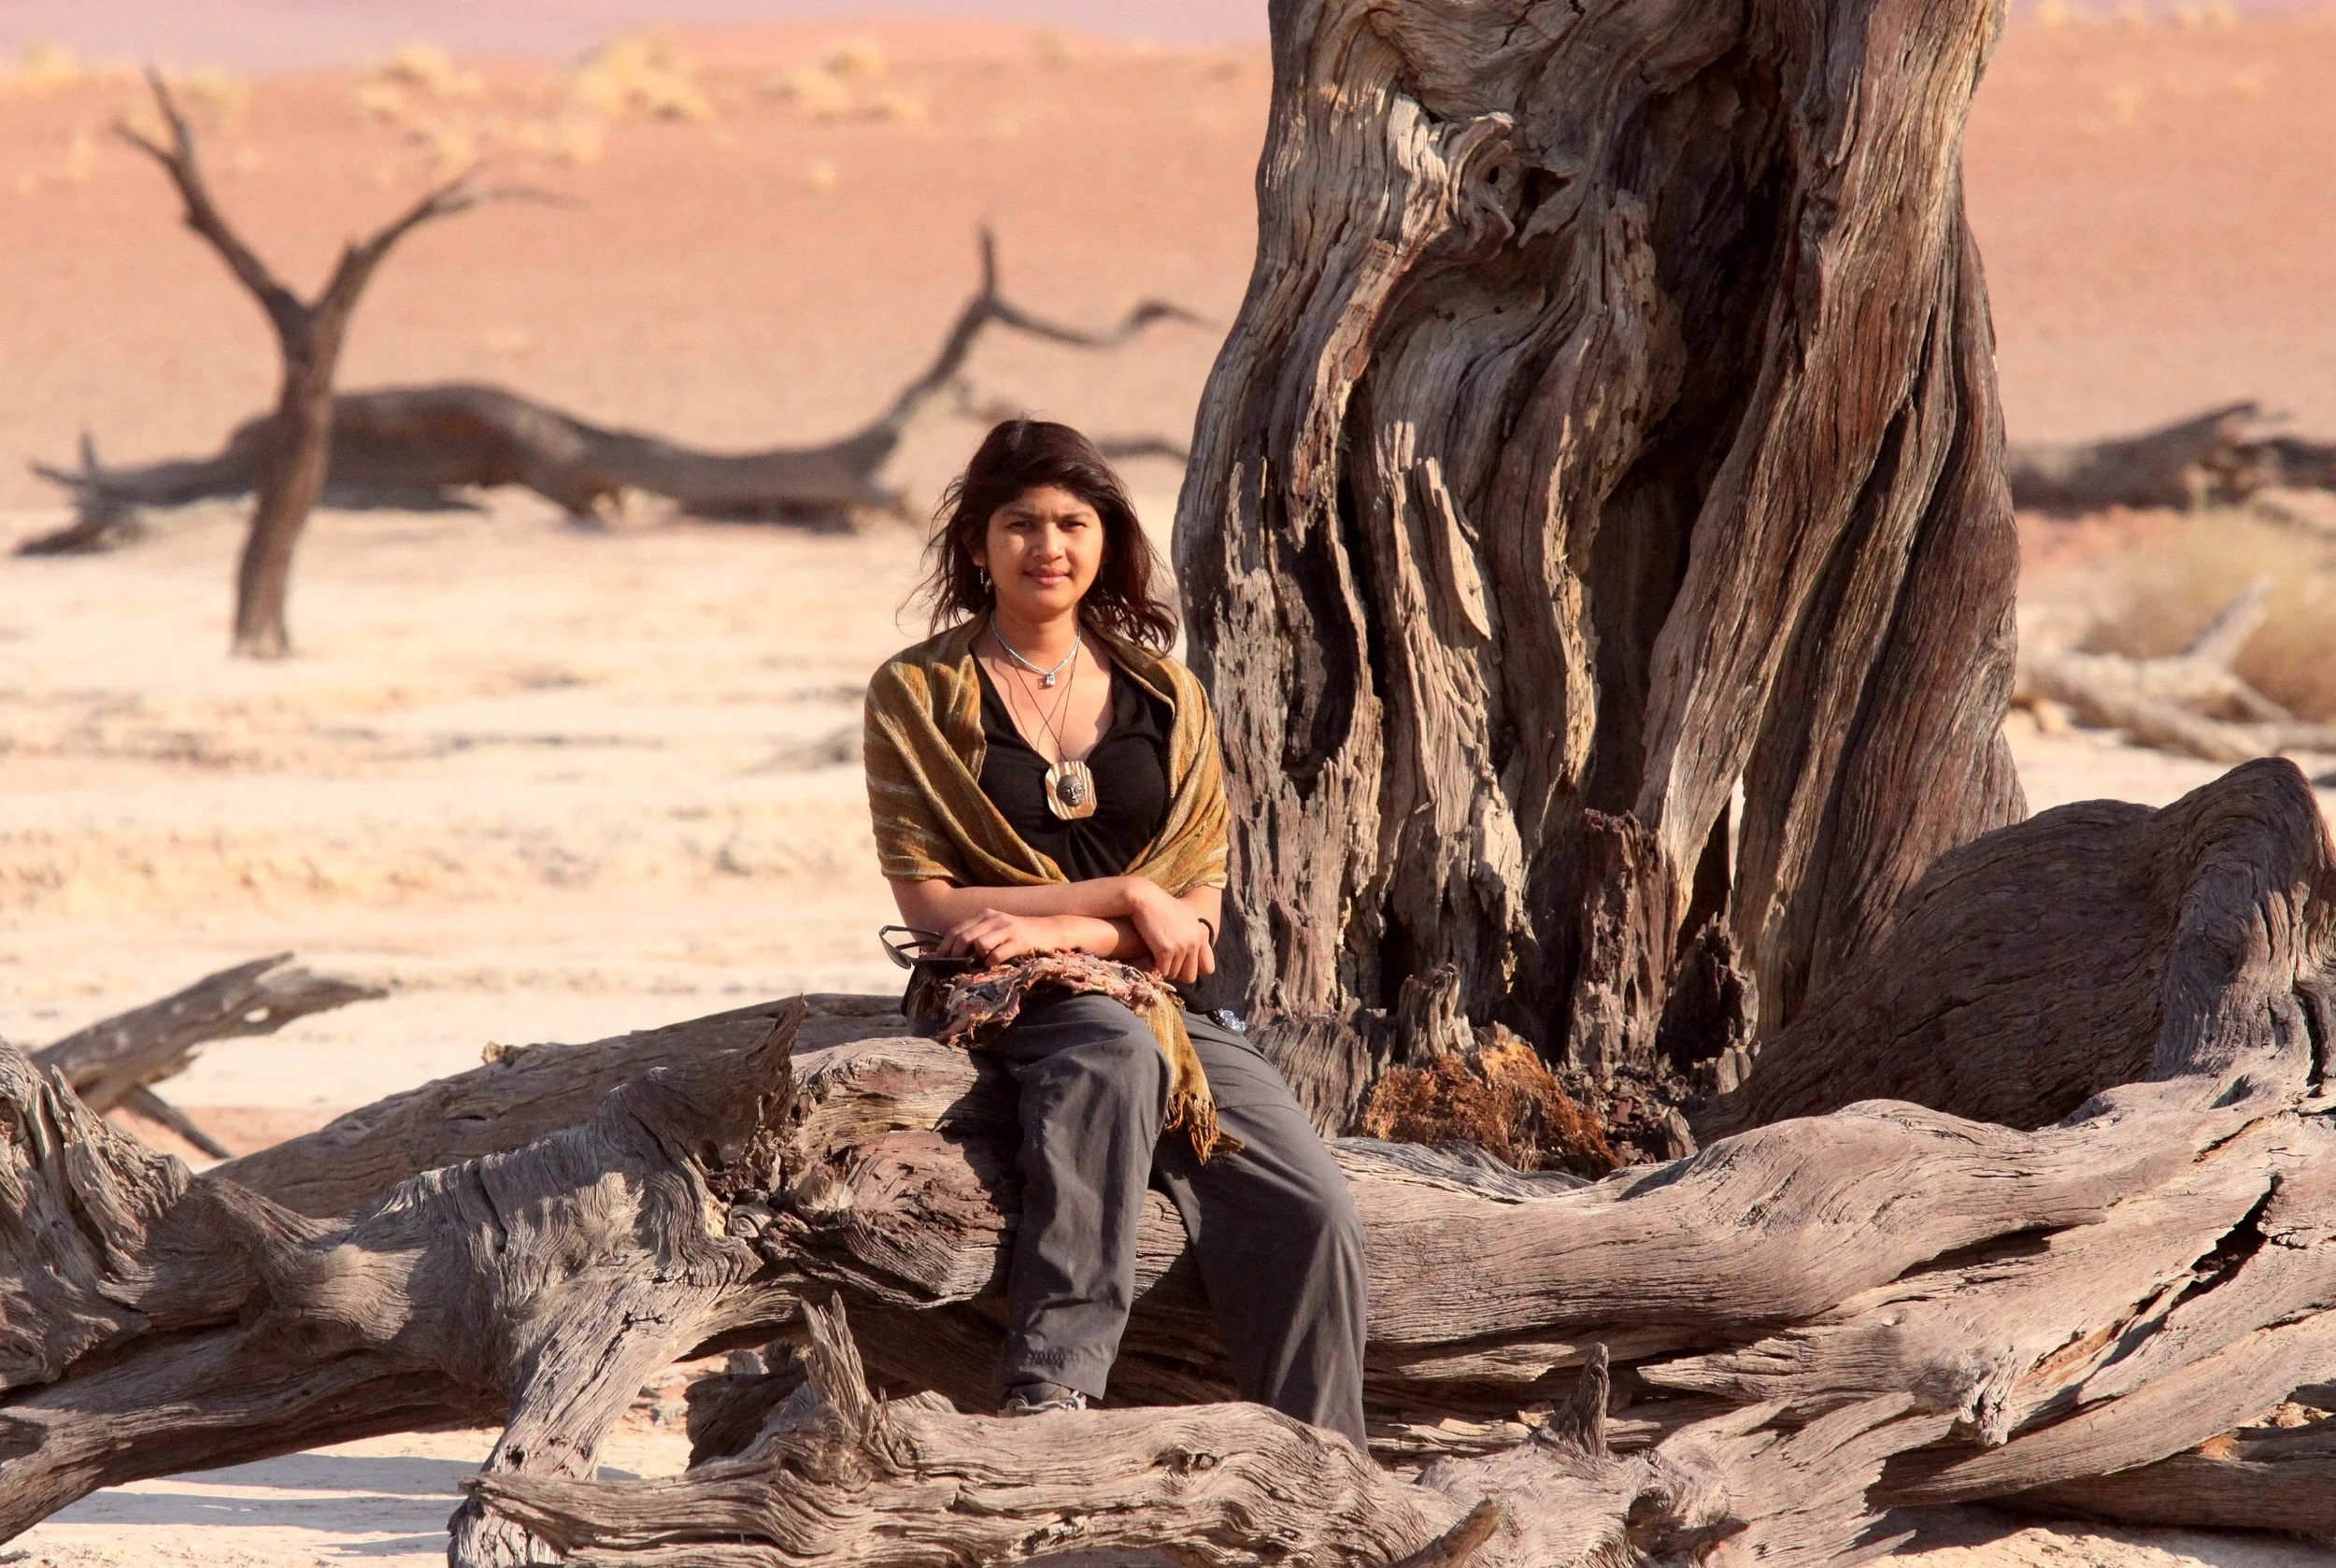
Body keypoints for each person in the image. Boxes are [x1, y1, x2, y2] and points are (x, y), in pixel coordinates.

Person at [861, 418, 1368, 1447]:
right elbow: (934, 907)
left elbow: (1197, 924)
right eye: (1020, 524)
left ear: (1105, 542)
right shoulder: (914, 693)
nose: (1047, 545)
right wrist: (1130, 901)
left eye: (1071, 522)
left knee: (1309, 1206)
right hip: (995, 992)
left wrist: (1116, 917)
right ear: (976, 545)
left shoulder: (1165, 695)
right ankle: (1055, 1392)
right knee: (1110, 1051)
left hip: (1163, 995)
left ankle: (1321, 1461)